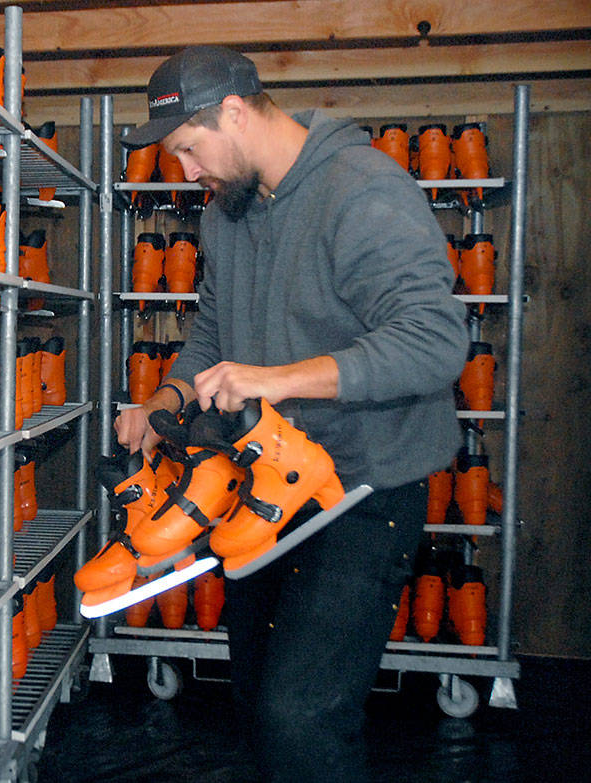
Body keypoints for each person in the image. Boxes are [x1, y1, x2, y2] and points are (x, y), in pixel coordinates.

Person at [115, 46, 468, 782]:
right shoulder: (228, 211)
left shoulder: (362, 190)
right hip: (267, 484)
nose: (185, 171)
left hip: (363, 487)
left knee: (300, 715)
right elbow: (212, 329)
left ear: (235, 115)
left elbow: (435, 342)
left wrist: (276, 380)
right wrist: (165, 400)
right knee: (256, 703)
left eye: (187, 148)